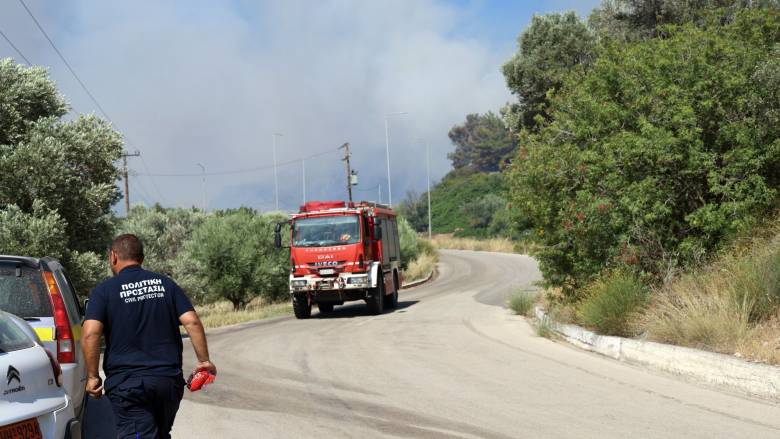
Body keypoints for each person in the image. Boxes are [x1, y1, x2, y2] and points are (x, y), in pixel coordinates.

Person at [81, 234, 216, 438]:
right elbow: (192, 321)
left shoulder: (104, 291)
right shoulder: (166, 285)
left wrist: (92, 377)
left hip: (128, 385)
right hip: (167, 383)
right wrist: (204, 361)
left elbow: (91, 333)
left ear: (114, 257)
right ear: (141, 258)